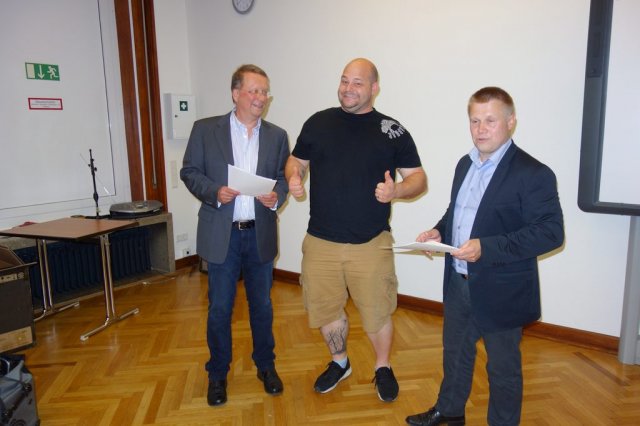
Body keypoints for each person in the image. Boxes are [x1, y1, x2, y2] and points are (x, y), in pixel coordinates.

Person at [405, 87, 564, 426]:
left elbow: (551, 233)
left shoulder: (533, 173)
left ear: (511, 121)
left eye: (490, 120)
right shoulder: (465, 164)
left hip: (502, 288)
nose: (480, 129)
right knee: (455, 353)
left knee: (502, 369)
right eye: (475, 120)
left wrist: (486, 248)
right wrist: (439, 231)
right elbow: (459, 212)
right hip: (458, 281)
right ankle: (450, 411)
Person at [285, 58, 427, 402]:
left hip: (370, 243)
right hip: (320, 241)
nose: (348, 88)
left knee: (377, 312)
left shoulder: (391, 130)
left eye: (358, 83)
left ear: (374, 88)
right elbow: (296, 160)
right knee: (326, 309)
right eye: (344, 80)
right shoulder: (318, 123)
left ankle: (382, 366)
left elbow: (418, 179)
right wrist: (294, 176)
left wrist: (396, 191)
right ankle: (340, 362)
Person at [180, 64, 290, 406]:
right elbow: (189, 171)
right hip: (221, 234)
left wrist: (277, 197)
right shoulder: (205, 130)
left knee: (263, 306)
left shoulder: (277, 136)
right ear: (235, 93)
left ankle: (266, 366)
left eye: (265, 92)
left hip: (259, 233)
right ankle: (217, 374)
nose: (261, 98)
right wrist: (214, 192)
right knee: (220, 308)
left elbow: (284, 178)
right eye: (254, 91)